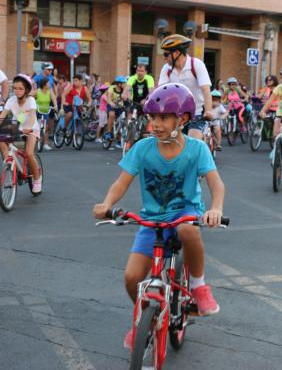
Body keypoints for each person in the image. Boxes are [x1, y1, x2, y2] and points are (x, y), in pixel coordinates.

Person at [92, 83, 225, 350]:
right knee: (131, 278)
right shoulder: (143, 148)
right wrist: (107, 203)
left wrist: (215, 209)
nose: (156, 123)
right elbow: (121, 183)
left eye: (164, 117)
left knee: (188, 231)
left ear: (183, 119)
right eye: (153, 117)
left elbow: (216, 184)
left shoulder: (196, 149)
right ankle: (144, 319)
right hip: (152, 219)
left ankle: (198, 286)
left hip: (185, 213)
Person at [158, 34, 213, 140]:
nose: (164, 58)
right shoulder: (167, 69)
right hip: (177, 114)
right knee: (169, 141)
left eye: (166, 54)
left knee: (193, 140)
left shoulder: (196, 65)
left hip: (197, 112)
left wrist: (208, 111)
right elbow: (160, 92)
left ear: (177, 53)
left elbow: (206, 90)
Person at [0, 74, 42, 194]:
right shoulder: (11, 100)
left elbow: (31, 116)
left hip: (31, 129)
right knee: (0, 138)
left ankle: (37, 180)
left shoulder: (30, 100)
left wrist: (29, 128)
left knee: (29, 153)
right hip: (18, 125)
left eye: (20, 88)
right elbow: (2, 115)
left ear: (26, 89)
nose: (17, 91)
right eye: (15, 88)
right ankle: (9, 162)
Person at [34, 78, 58, 150]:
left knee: (46, 128)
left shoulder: (50, 91)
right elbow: (29, 96)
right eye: (48, 83)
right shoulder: (37, 91)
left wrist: (55, 106)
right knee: (35, 127)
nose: (49, 85)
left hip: (45, 111)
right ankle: (34, 142)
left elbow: (54, 99)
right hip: (37, 111)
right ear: (44, 85)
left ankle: (45, 144)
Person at [104, 76, 128, 148]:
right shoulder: (112, 88)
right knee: (111, 115)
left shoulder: (124, 89)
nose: (124, 84)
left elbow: (127, 97)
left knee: (123, 120)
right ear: (118, 84)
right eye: (122, 83)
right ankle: (108, 132)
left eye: (124, 83)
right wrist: (111, 103)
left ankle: (119, 139)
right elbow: (108, 99)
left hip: (120, 107)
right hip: (111, 106)